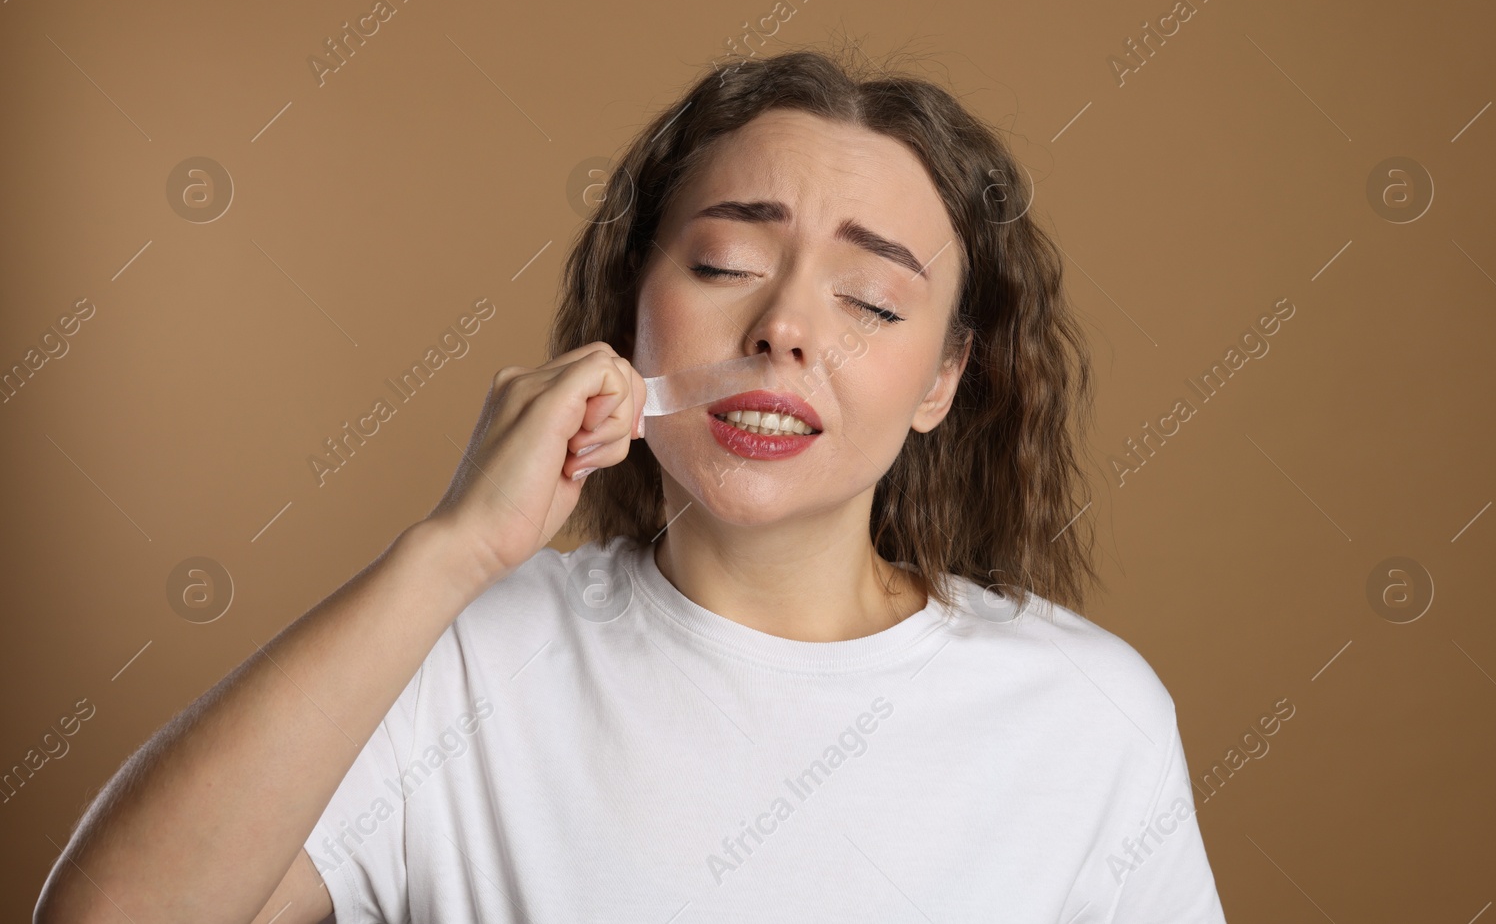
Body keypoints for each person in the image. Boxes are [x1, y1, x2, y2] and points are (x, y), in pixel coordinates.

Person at [34, 47, 1226, 923]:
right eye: (724, 263)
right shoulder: (461, 664)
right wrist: (448, 551)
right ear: (629, 313)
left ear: (942, 377)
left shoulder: (1086, 718)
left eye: (869, 299)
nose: (784, 328)